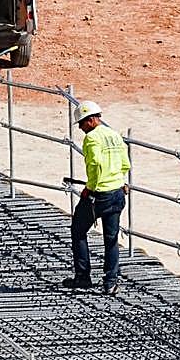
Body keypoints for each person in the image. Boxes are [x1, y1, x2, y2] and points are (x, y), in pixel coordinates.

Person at [62, 100, 131, 295]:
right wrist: (121, 181)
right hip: (117, 192)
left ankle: (83, 277)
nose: (82, 129)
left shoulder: (92, 138)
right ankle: (110, 282)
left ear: (91, 120)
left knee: (78, 230)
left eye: (82, 124)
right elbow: (125, 163)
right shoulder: (115, 135)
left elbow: (94, 165)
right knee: (111, 239)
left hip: (98, 194)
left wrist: (90, 188)